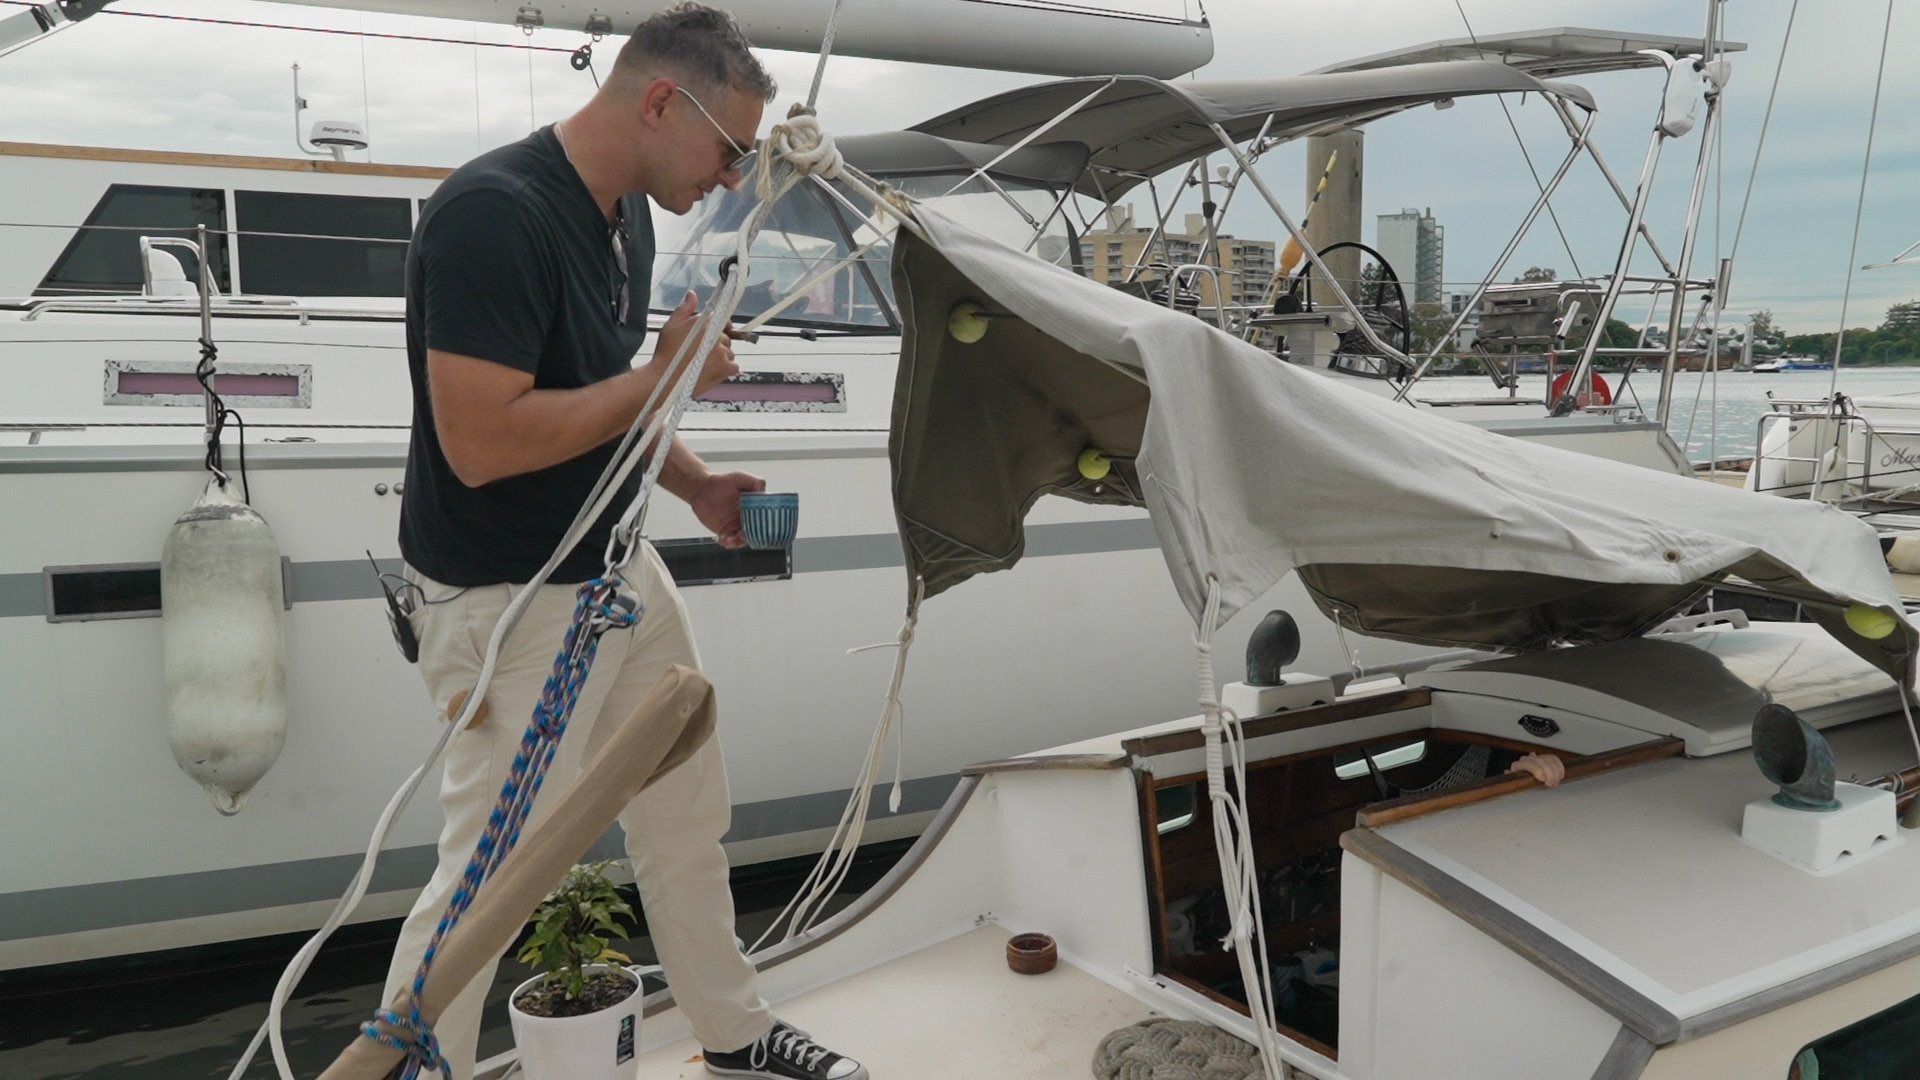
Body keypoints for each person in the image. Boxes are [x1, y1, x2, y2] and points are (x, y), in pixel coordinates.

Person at [383, 6, 864, 1078]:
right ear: (660, 103)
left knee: (687, 814)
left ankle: (733, 1033)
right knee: (488, 882)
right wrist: (664, 376)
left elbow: (600, 394)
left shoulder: (624, 216)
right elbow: (479, 445)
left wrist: (693, 484)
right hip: (510, 602)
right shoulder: (490, 217)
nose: (732, 177)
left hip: (613, 571)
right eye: (731, 149)